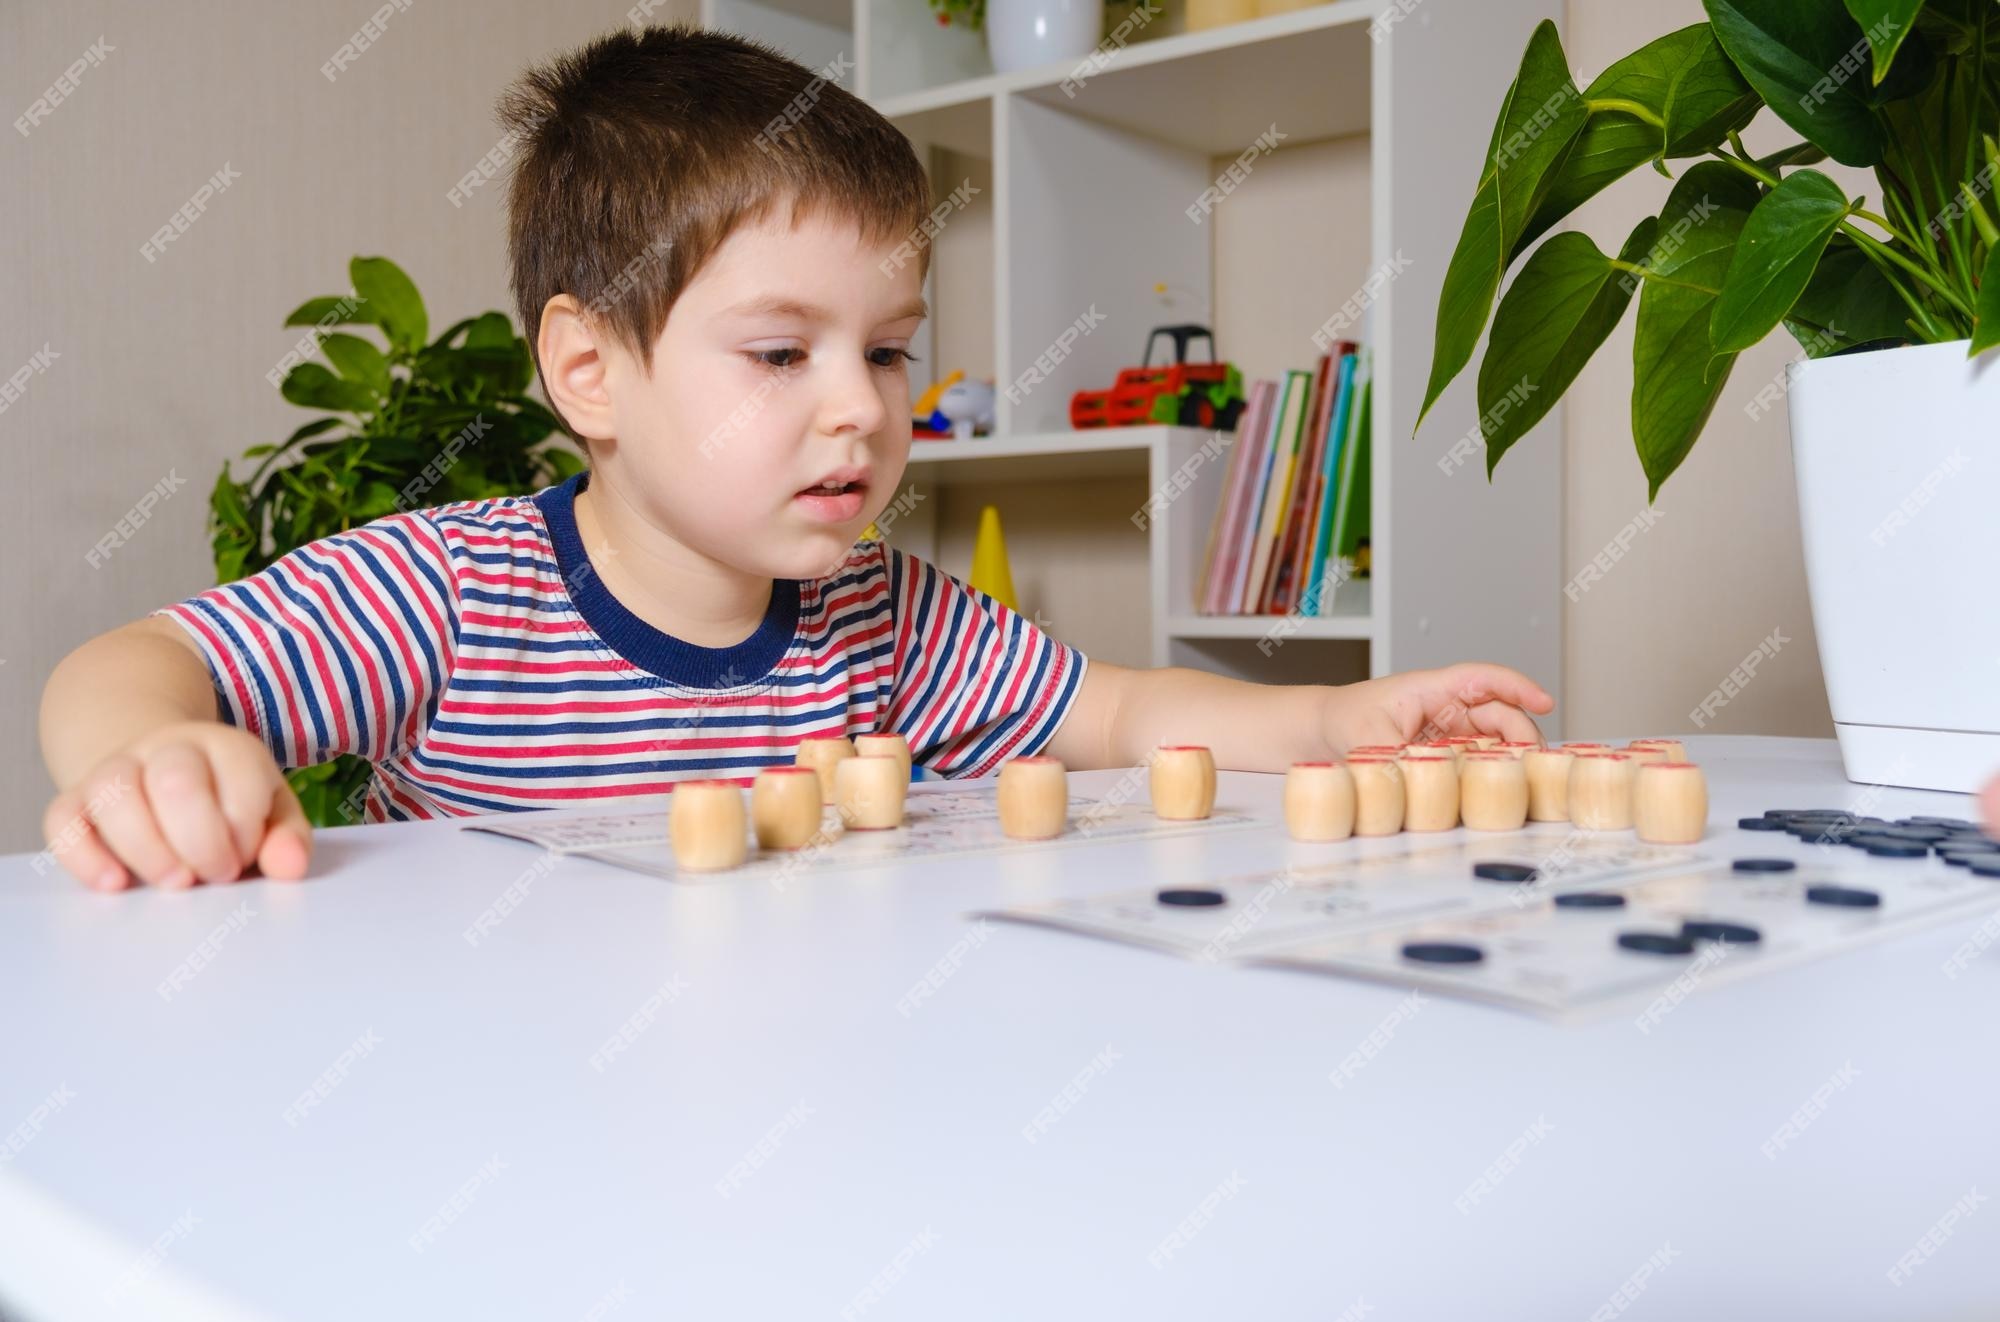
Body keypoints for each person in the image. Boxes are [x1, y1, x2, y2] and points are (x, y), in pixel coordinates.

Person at [35, 25, 1552, 891]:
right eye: (781, 354)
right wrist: (150, 755)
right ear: (589, 370)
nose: (862, 410)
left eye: (888, 350)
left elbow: (1119, 712)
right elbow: (130, 663)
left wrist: (1346, 712)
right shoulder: (452, 590)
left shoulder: (880, 614)